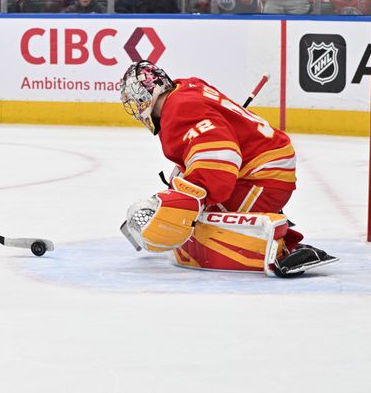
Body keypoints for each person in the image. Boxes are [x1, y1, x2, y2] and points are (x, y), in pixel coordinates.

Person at [119, 60, 337, 276]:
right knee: (196, 214)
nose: (135, 108)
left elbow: (222, 154)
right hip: (261, 162)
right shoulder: (187, 88)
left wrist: (194, 195)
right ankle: (277, 232)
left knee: (201, 224)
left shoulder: (178, 110)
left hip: (263, 173)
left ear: (145, 94)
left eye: (134, 100)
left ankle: (281, 250)